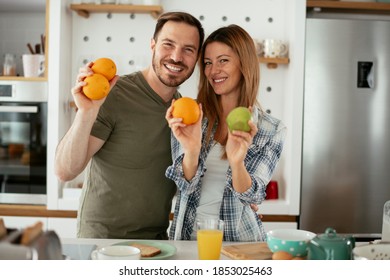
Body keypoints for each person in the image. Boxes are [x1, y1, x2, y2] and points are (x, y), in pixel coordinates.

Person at [54, 12, 205, 239]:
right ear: (152, 45)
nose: (176, 56)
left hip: (156, 244)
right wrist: (86, 112)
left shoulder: (183, 112)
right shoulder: (114, 93)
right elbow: (64, 171)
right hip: (102, 242)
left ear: (196, 57)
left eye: (188, 49)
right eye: (168, 44)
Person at [165, 24, 286, 242]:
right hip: (187, 241)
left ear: (244, 64)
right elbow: (183, 186)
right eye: (208, 63)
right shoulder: (190, 114)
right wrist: (192, 151)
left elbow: (253, 195)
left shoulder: (271, 129)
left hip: (240, 244)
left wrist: (237, 162)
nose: (213, 71)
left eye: (223, 60)